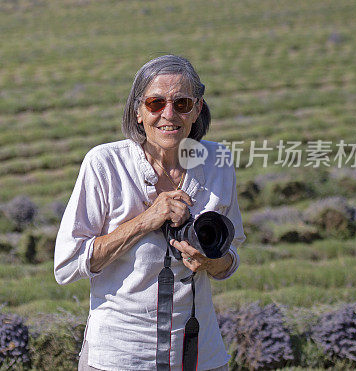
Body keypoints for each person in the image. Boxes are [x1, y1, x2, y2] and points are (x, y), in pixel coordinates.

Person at [54, 55, 245, 371]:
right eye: (156, 103)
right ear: (138, 111)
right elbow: (67, 266)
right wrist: (145, 221)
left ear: (198, 108)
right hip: (121, 355)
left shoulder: (217, 161)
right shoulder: (104, 164)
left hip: (198, 354)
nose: (169, 114)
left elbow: (230, 257)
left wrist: (211, 260)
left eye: (182, 103)